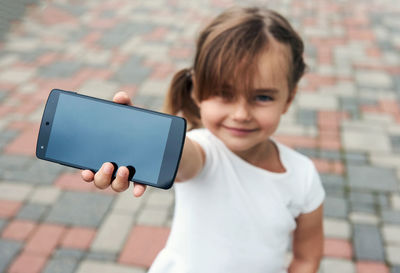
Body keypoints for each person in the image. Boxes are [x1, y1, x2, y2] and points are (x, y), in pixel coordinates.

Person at [81, 6, 325, 273]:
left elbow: (306, 258)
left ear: (288, 99)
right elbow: (181, 156)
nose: (241, 114)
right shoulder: (202, 151)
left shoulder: (304, 175)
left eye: (263, 97)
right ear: (197, 92)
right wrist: (146, 136)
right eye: (224, 94)